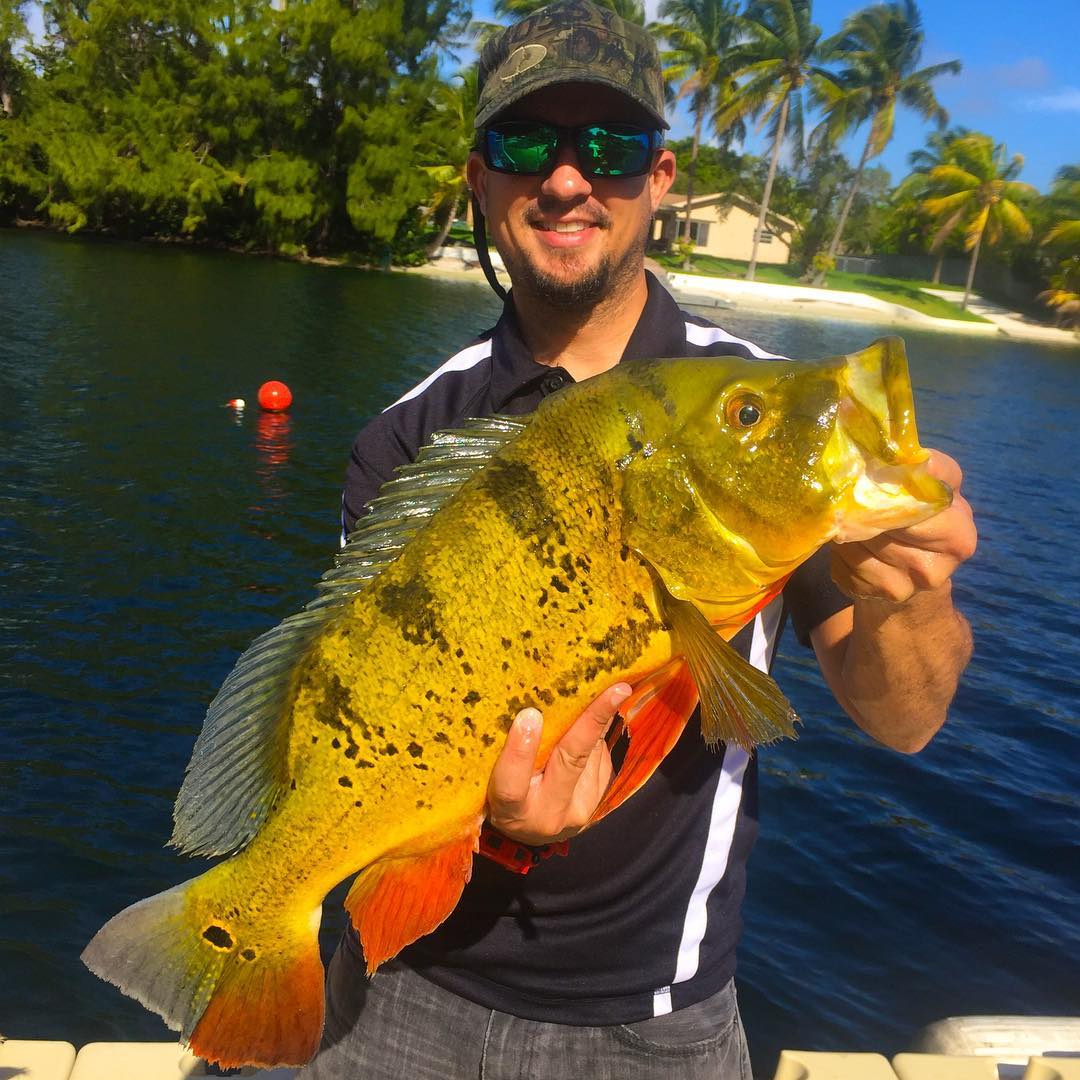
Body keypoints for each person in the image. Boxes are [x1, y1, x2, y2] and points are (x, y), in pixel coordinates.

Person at [303, 2, 976, 1076]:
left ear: (660, 178)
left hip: (653, 1022)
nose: (567, 180)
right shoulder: (406, 437)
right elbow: (355, 709)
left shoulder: (747, 413)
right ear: (478, 178)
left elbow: (906, 720)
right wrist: (503, 825)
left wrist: (907, 597)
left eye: (607, 146)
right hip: (396, 988)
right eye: (527, 143)